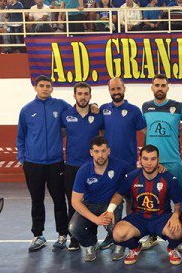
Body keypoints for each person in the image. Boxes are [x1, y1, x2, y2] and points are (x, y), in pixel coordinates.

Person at [16, 76, 71, 252]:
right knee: (37, 200)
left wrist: (93, 107)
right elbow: (20, 136)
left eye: (48, 86)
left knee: (59, 200)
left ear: (52, 88)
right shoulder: (26, 110)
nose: (45, 88)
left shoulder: (60, 105)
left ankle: (62, 234)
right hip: (33, 164)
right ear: (35, 88)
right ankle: (38, 235)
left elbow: (77, 112)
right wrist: (23, 159)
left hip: (55, 163)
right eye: (41, 86)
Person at [110, 145, 182, 266]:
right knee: (117, 234)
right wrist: (109, 210)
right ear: (140, 159)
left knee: (178, 231)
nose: (149, 163)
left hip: (162, 218)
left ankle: (172, 248)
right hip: (138, 218)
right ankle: (135, 247)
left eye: (153, 159)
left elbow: (179, 203)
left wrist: (175, 215)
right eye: (145, 158)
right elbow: (118, 195)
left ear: (158, 160)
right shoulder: (132, 177)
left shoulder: (169, 178)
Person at [99, 77, 146, 258]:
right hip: (109, 165)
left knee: (131, 201)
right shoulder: (103, 110)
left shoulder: (134, 110)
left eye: (119, 88)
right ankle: (112, 235)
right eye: (113, 89)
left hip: (129, 165)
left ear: (124, 89)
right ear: (109, 91)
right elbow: (99, 130)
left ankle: (131, 233)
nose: (116, 92)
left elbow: (146, 132)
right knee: (111, 202)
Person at [69, 136, 132, 262]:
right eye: (97, 151)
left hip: (111, 205)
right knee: (74, 228)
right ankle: (91, 244)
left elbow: (139, 175)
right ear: (91, 152)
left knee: (115, 228)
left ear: (108, 151)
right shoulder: (83, 171)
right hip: (90, 204)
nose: (100, 155)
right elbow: (75, 201)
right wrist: (96, 219)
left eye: (103, 151)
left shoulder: (121, 166)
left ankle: (120, 244)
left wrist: (157, 169)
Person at [59, 82, 105, 252]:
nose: (83, 97)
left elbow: (104, 136)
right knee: (73, 203)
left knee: (91, 203)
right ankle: (74, 239)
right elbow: (61, 133)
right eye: (80, 93)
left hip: (93, 167)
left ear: (90, 96)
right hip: (72, 166)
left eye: (86, 94)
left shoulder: (98, 115)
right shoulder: (66, 115)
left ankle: (91, 238)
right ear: (74, 95)